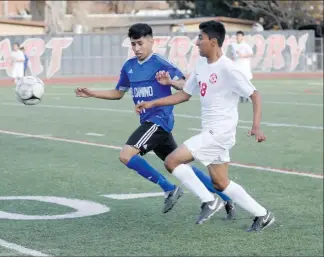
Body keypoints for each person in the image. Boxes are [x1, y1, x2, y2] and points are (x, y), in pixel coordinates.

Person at [75, 23, 235, 218]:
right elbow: (118, 93)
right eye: (133, 44)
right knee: (182, 167)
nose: (136, 48)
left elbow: (185, 85)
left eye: (140, 43)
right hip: (150, 123)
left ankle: (169, 188)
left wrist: (170, 82)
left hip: (159, 121)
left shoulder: (161, 63)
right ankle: (226, 197)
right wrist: (92, 93)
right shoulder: (129, 66)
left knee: (126, 155)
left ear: (151, 41)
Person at [136, 20, 275, 232]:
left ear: (213, 41)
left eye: (200, 38)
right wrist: (155, 100)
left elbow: (254, 94)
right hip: (211, 131)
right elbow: (185, 93)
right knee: (221, 183)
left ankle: (209, 201)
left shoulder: (229, 68)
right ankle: (262, 214)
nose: (197, 42)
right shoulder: (201, 65)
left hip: (219, 132)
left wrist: (256, 126)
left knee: (172, 160)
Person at [230, 31, 254, 103]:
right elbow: (232, 55)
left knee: (246, 81)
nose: (238, 37)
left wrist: (243, 56)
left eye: (240, 36)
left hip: (244, 65)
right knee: (238, 81)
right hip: (237, 65)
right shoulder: (233, 45)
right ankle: (241, 95)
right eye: (237, 36)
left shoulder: (246, 45)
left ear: (242, 37)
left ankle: (248, 95)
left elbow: (251, 54)